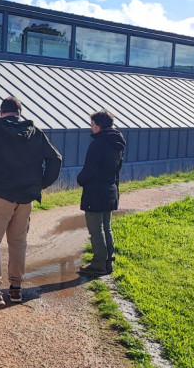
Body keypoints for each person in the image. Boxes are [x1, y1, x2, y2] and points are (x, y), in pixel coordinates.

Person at [0, 96, 62, 310]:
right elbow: (56, 159)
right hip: (25, 197)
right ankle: (16, 289)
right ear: (20, 112)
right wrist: (39, 184)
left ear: (1, 112)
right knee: (18, 242)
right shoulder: (34, 132)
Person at [77, 110, 126, 276]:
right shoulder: (117, 143)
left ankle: (98, 264)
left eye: (93, 125)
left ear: (100, 125)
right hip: (110, 188)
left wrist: (80, 179)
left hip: (95, 192)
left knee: (96, 229)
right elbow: (118, 168)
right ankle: (108, 262)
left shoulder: (98, 144)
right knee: (107, 227)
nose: (91, 128)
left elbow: (89, 169)